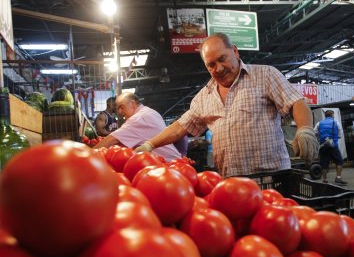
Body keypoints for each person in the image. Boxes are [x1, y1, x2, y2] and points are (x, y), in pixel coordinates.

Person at [135, 33, 319, 177]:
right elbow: (180, 127)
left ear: (235, 51)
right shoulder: (203, 97)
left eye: (222, 58)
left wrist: (305, 129)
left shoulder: (265, 75)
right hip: (230, 185)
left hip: (273, 179)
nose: (219, 68)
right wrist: (150, 145)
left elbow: (296, 102)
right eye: (211, 64)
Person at [94, 92, 181, 162]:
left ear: (132, 103)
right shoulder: (150, 112)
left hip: (168, 165)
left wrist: (89, 154)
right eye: (118, 108)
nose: (119, 112)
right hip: (173, 163)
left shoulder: (139, 118)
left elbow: (112, 139)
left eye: (121, 107)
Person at [314, 110, 347, 185]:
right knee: (339, 161)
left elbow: (315, 132)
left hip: (323, 146)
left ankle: (325, 180)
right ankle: (338, 178)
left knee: (324, 163)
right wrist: (335, 138)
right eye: (333, 115)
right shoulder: (336, 123)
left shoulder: (319, 123)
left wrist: (321, 138)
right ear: (332, 115)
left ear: (325, 115)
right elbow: (340, 135)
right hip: (333, 145)